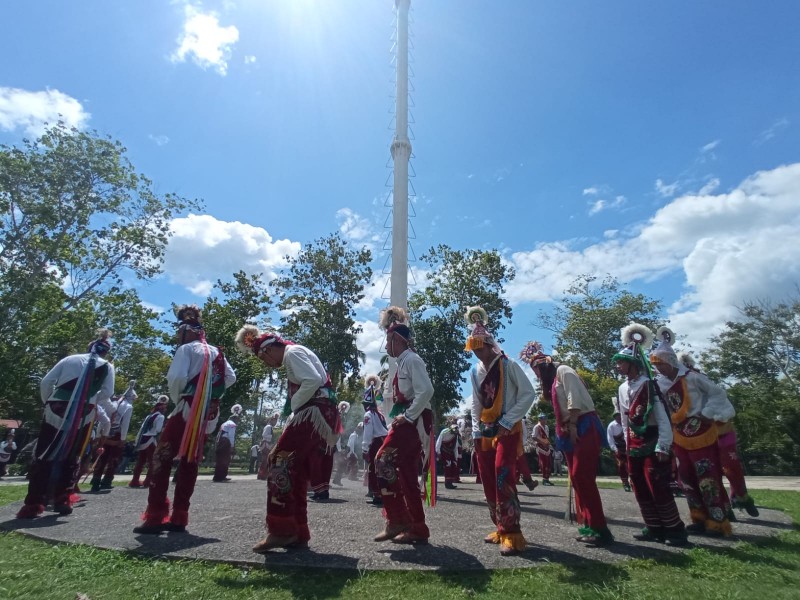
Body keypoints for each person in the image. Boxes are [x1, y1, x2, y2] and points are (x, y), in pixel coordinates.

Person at [236, 325, 339, 553]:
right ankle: (298, 531)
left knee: (279, 461)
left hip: (313, 412)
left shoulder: (292, 353)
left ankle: (282, 530)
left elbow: (311, 380)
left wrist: (294, 407)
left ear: (269, 350)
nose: (267, 364)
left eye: (264, 359)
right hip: (318, 412)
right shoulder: (296, 352)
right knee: (297, 470)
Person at [134, 305, 235, 534]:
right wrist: (211, 395)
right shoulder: (217, 353)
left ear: (186, 331)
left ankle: (156, 516)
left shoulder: (186, 349)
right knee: (190, 460)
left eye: (179, 332)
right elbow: (230, 377)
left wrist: (181, 398)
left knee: (162, 458)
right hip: (205, 412)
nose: (178, 336)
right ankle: (180, 516)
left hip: (186, 407)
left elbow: (177, 377)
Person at [521, 341, 613, 546]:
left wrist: (572, 425)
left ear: (544, 366)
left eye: (536, 371)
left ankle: (600, 528)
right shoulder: (554, 380)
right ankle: (588, 524)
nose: (536, 376)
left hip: (582, 425)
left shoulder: (564, 370)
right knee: (577, 478)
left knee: (583, 476)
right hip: (569, 428)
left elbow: (574, 398)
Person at [17, 329, 116, 518]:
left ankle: (34, 502)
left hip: (55, 408)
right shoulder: (107, 366)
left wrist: (49, 402)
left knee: (44, 454)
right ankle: (63, 498)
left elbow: (47, 382)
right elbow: (107, 393)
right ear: (106, 351)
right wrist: (89, 399)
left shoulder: (70, 359)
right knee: (73, 455)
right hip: (84, 412)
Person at [650, 328, 735, 537]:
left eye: (660, 364)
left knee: (707, 476)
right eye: (655, 366)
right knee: (686, 478)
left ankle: (717, 520)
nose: (658, 369)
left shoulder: (693, 377)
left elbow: (717, 393)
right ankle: (698, 517)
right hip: (679, 435)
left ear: (670, 361)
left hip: (701, 434)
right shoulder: (660, 384)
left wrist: (707, 413)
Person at [466, 307, 535, 556]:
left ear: (491, 345)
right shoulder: (475, 372)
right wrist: (475, 431)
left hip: (508, 428)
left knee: (502, 473)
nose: (477, 352)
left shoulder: (509, 365)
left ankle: (512, 533)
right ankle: (499, 526)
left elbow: (529, 394)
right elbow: (476, 403)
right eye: (473, 348)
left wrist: (508, 421)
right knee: (486, 476)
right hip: (484, 430)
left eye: (480, 347)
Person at [614, 324, 687, 546]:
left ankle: (674, 530)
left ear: (633, 364)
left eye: (621, 362)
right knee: (639, 484)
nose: (618, 365)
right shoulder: (622, 388)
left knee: (657, 484)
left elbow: (662, 417)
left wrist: (663, 445)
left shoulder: (650, 385)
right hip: (633, 443)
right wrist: (627, 442)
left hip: (653, 439)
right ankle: (653, 526)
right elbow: (626, 418)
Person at [373, 306, 434, 545]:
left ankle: (397, 519)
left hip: (414, 421)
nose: (386, 345)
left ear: (398, 340)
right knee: (407, 475)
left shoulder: (412, 359)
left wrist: (408, 417)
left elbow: (426, 390)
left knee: (383, 460)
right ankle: (417, 527)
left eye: (388, 340)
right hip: (412, 419)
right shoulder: (403, 362)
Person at [678, 351, 759, 518]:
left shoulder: (700, 379)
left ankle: (741, 497)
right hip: (701, 434)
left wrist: (710, 414)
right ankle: (724, 507)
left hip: (721, 429)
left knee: (731, 466)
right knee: (710, 470)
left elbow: (720, 401)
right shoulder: (679, 384)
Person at [91, 379, 136, 492]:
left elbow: (103, 420)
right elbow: (125, 424)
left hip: (105, 431)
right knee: (114, 459)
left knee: (102, 457)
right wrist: (123, 439)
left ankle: (96, 480)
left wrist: (98, 434)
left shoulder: (111, 403)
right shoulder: (128, 407)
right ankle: (106, 481)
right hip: (117, 433)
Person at [309, 401, 349, 501]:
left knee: (322, 466)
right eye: (342, 407)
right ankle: (321, 490)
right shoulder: (335, 412)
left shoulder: (329, 411)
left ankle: (322, 490)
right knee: (322, 466)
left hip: (328, 442)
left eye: (345, 407)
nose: (343, 408)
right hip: (328, 441)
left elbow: (339, 431)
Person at [129, 395, 168, 488]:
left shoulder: (149, 416)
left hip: (143, 439)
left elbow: (142, 429)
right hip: (151, 440)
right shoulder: (161, 417)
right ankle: (148, 481)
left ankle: (135, 480)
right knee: (152, 462)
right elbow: (158, 430)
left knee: (140, 461)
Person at [361, 374, 389, 505]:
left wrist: (365, 448)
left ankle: (377, 495)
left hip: (376, 442)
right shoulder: (379, 414)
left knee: (374, 469)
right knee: (383, 468)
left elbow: (368, 433)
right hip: (384, 441)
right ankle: (382, 493)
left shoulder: (368, 414)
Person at [213, 404, 242, 482]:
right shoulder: (232, 424)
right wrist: (232, 446)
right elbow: (231, 435)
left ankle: (218, 476)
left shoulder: (224, 424)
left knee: (220, 459)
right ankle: (221, 476)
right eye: (238, 419)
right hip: (225, 441)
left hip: (220, 441)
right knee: (225, 459)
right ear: (234, 418)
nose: (238, 421)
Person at [606, 410, 632, 492]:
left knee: (631, 465)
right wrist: (615, 449)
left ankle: (633, 482)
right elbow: (610, 438)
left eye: (619, 415)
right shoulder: (612, 426)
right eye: (616, 416)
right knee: (621, 466)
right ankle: (625, 483)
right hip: (619, 449)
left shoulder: (627, 423)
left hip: (629, 447)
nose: (618, 417)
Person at [436, 418, 461, 490]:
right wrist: (438, 453)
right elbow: (439, 442)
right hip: (444, 451)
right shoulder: (444, 432)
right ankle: (447, 483)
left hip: (451, 452)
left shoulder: (456, 434)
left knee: (453, 465)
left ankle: (450, 482)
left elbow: (455, 446)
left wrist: (456, 456)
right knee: (448, 465)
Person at [532, 413, 554, 486]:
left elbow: (546, 437)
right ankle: (544, 479)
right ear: (540, 419)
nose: (545, 420)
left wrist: (548, 444)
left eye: (545, 418)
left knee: (549, 463)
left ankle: (547, 479)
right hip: (540, 447)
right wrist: (542, 442)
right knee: (544, 463)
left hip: (547, 446)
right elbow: (534, 437)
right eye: (543, 418)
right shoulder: (537, 427)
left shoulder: (546, 427)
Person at [257, 414, 278, 480]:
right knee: (265, 460)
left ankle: (263, 474)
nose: (275, 422)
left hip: (267, 444)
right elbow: (264, 435)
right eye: (275, 421)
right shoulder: (268, 427)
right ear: (271, 420)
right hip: (266, 444)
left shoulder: (270, 427)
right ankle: (262, 475)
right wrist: (273, 437)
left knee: (266, 460)